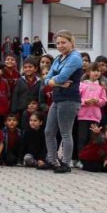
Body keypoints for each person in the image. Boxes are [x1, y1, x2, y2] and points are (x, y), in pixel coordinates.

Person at [43, 30, 83, 174]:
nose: (60, 45)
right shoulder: (58, 58)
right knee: (49, 131)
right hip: (58, 97)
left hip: (69, 99)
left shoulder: (75, 58)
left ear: (71, 42)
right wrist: (58, 84)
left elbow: (60, 77)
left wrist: (55, 82)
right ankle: (52, 160)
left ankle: (66, 163)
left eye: (63, 42)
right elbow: (47, 79)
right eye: (58, 43)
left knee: (65, 133)